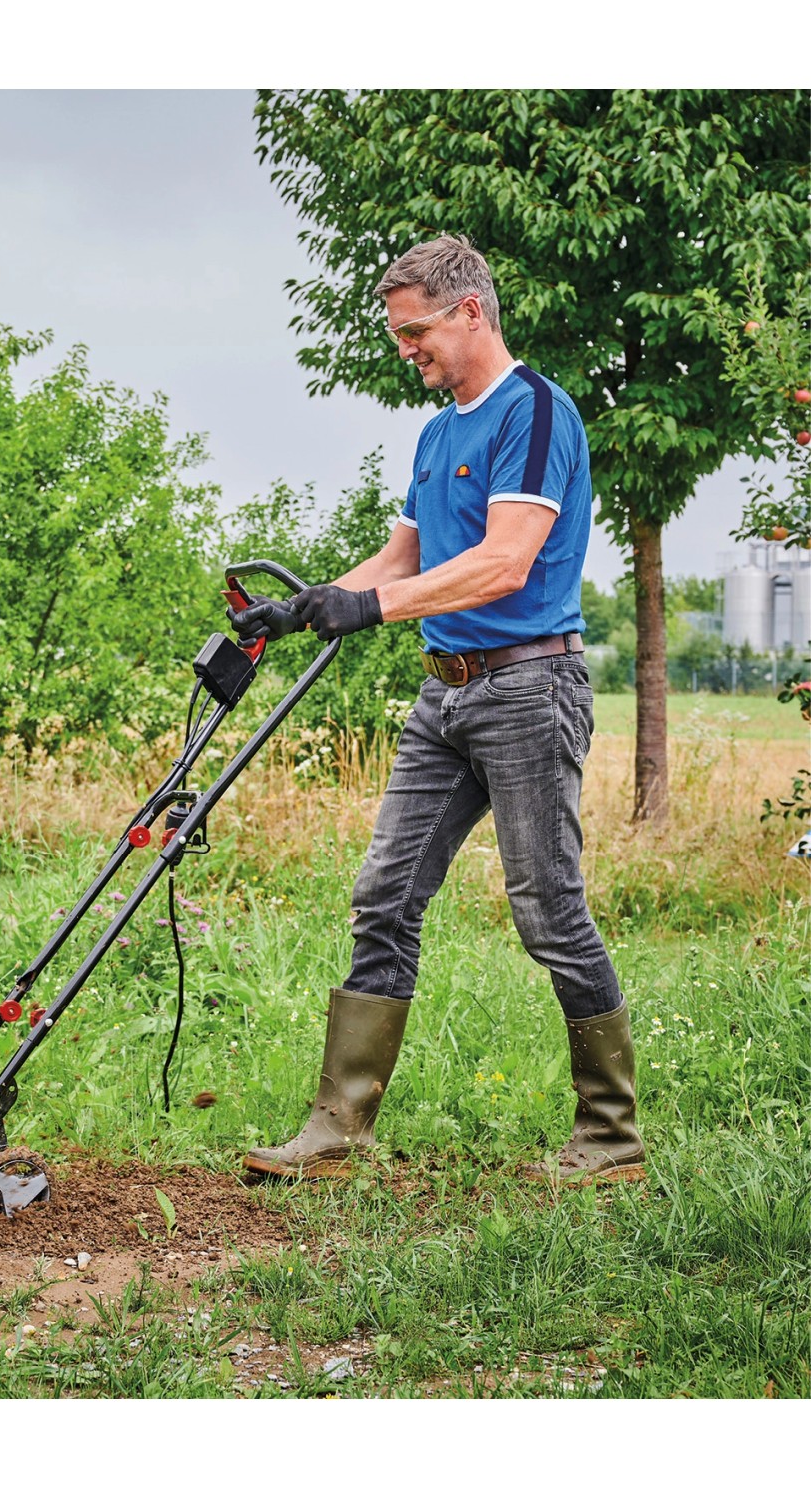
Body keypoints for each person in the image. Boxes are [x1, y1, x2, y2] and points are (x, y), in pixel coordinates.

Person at [230, 234, 644, 1186]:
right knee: (384, 896)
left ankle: (612, 1136)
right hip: (446, 694)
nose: (404, 348)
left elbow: (504, 561)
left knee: (548, 910)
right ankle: (336, 1132)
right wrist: (305, 606)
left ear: (470, 312)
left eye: (415, 330)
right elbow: (401, 562)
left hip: (531, 688)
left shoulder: (534, 413)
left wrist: (368, 609)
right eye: (397, 333)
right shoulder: (436, 431)